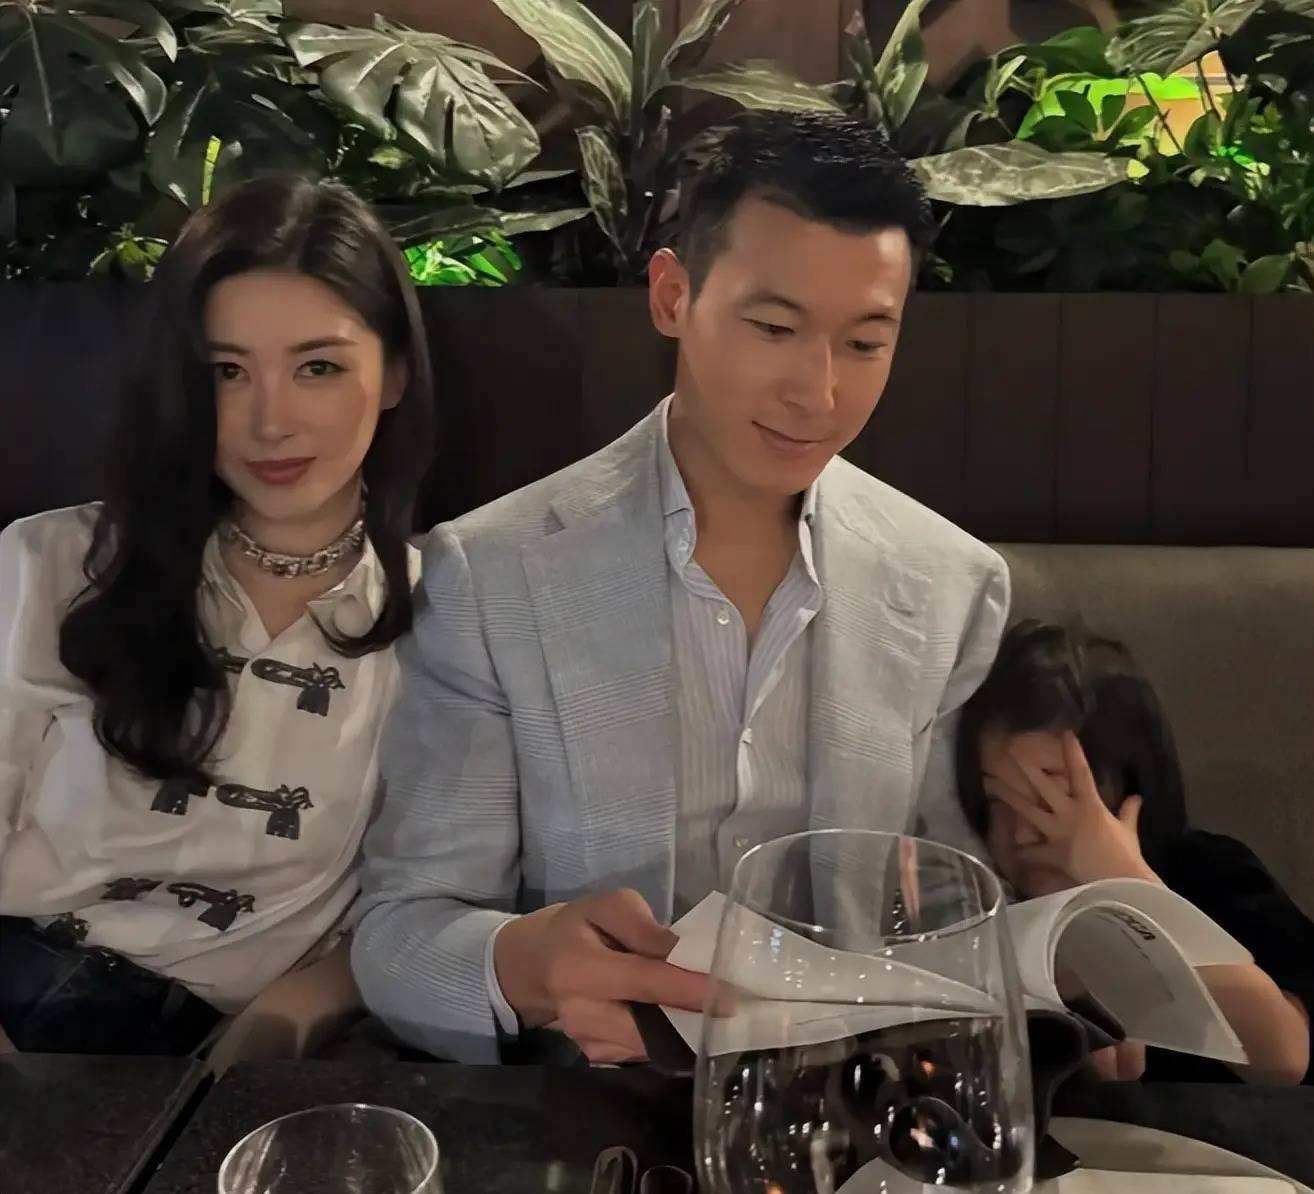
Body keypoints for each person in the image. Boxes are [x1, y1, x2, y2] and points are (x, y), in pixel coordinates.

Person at [353, 111, 1011, 1064]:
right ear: (672, 295)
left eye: (866, 343)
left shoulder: (953, 584)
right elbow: (400, 932)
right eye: (774, 327)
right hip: (596, 1099)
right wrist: (525, 964)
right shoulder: (493, 574)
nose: (818, 393)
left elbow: (955, 904)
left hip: (849, 1093)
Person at [0, 174, 433, 1060]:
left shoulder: (449, 614)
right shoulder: (51, 564)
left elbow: (428, 903)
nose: (271, 422)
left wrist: (277, 1034)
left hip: (223, 1047)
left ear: (392, 373)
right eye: (226, 372)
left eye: (318, 367)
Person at [957, 619, 1314, 1085]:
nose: (1022, 832)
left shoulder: (1208, 871)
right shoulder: (986, 917)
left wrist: (1129, 884)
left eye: (1052, 798)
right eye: (999, 802)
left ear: (1129, 782)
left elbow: (1287, 1056)